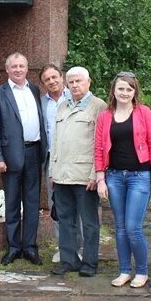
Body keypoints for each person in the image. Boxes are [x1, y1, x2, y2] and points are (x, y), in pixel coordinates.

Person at [95, 71, 151, 289]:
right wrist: (100, 178)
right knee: (120, 227)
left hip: (139, 176)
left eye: (129, 89)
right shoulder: (105, 116)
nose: (124, 93)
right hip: (114, 176)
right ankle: (124, 270)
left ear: (135, 92)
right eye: (121, 88)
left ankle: (141, 271)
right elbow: (98, 148)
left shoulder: (143, 112)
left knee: (133, 227)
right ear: (114, 90)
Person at [0, 52, 47, 266]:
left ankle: (29, 247)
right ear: (7, 69)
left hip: (34, 152)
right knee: (12, 202)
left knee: (32, 202)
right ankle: (13, 247)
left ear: (27, 68)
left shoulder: (34, 90)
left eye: (22, 65)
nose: (18, 69)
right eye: (14, 66)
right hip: (10, 156)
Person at [49, 67, 106, 277]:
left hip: (85, 176)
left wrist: (95, 174)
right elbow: (55, 141)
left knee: (89, 222)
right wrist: (53, 171)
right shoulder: (62, 106)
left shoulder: (98, 106)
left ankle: (90, 263)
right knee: (65, 220)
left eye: (79, 81)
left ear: (88, 82)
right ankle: (68, 260)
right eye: (71, 82)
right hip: (62, 174)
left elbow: (101, 144)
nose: (75, 85)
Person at [39, 64, 76, 264]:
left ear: (62, 77)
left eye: (54, 77)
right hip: (52, 159)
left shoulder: (76, 97)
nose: (52, 81)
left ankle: (77, 247)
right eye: (47, 79)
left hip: (74, 158)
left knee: (77, 203)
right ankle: (63, 246)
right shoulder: (42, 103)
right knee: (56, 204)